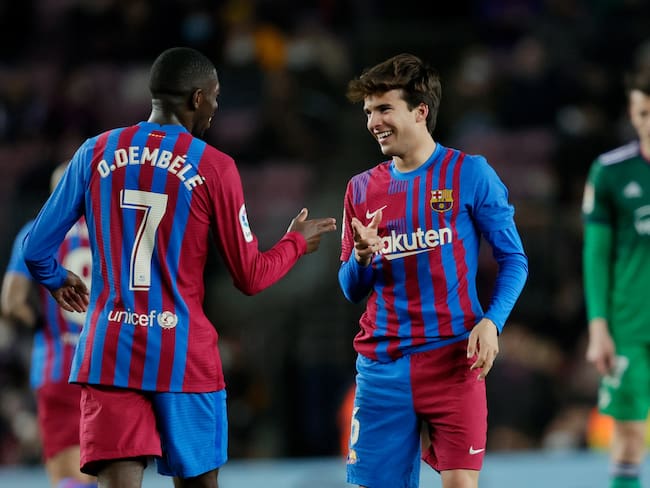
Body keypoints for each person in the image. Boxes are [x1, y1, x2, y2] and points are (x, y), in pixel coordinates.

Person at [22, 46, 337, 488]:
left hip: (110, 351)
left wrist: (58, 279)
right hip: (182, 353)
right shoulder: (214, 166)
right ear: (196, 99)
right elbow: (250, 276)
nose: (215, 107)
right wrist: (294, 244)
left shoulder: (96, 150)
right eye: (215, 96)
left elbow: (36, 248)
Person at [338, 53, 529, 488]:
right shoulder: (361, 189)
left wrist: (492, 322)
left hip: (453, 361)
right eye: (368, 112)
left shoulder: (470, 173)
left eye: (384, 108)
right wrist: (362, 258)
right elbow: (349, 288)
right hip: (382, 368)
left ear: (420, 111)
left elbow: (514, 259)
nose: (373, 122)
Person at [1, 162, 96, 488]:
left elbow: (11, 302)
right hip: (109, 363)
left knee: (67, 475)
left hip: (57, 365)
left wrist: (40, 322)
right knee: (109, 470)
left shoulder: (35, 230)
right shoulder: (116, 231)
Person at [582, 67, 650, 488]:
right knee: (627, 436)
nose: (649, 125)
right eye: (643, 114)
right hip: (630, 326)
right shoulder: (610, 171)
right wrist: (598, 328)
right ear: (631, 112)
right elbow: (596, 255)